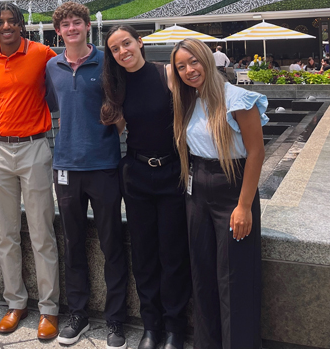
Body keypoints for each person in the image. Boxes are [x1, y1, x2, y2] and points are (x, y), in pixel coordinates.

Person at [171, 38, 267, 349]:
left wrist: (244, 206)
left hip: (232, 189)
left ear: (208, 60)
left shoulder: (237, 99)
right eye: (181, 66)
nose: (189, 70)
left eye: (193, 61)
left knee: (235, 280)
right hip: (197, 189)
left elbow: (256, 153)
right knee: (203, 276)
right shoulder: (189, 100)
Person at [102, 25, 191, 349]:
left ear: (140, 42)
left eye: (126, 43)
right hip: (136, 175)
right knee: (143, 255)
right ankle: (151, 327)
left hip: (170, 174)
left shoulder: (166, 73)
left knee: (172, 254)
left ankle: (174, 329)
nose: (123, 51)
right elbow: (123, 127)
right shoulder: (118, 86)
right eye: (115, 48)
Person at [45, 2, 128, 349]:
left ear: (87, 26)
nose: (72, 28)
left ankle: (116, 320)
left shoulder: (107, 62)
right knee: (73, 244)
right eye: (65, 24)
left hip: (105, 165)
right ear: (59, 31)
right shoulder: (52, 66)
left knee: (112, 245)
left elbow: (123, 110)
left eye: (77, 22)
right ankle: (78, 313)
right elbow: (50, 108)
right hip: (65, 166)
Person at [0, 2, 60, 340]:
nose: (6, 26)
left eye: (12, 21)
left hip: (34, 147)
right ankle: (15, 302)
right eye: (0, 23)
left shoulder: (43, 53)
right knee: (6, 233)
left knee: (42, 231)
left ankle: (49, 308)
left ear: (21, 25)